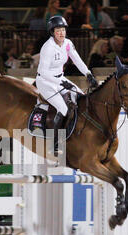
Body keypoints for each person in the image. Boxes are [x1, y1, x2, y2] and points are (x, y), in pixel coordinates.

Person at [35, 16, 98, 155]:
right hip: (45, 81)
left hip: (59, 79)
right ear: (52, 32)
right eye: (58, 30)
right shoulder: (48, 47)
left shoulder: (67, 43)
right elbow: (43, 72)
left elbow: (77, 60)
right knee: (63, 108)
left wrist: (88, 74)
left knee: (81, 96)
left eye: (63, 30)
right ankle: (55, 143)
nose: (61, 33)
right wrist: (60, 83)